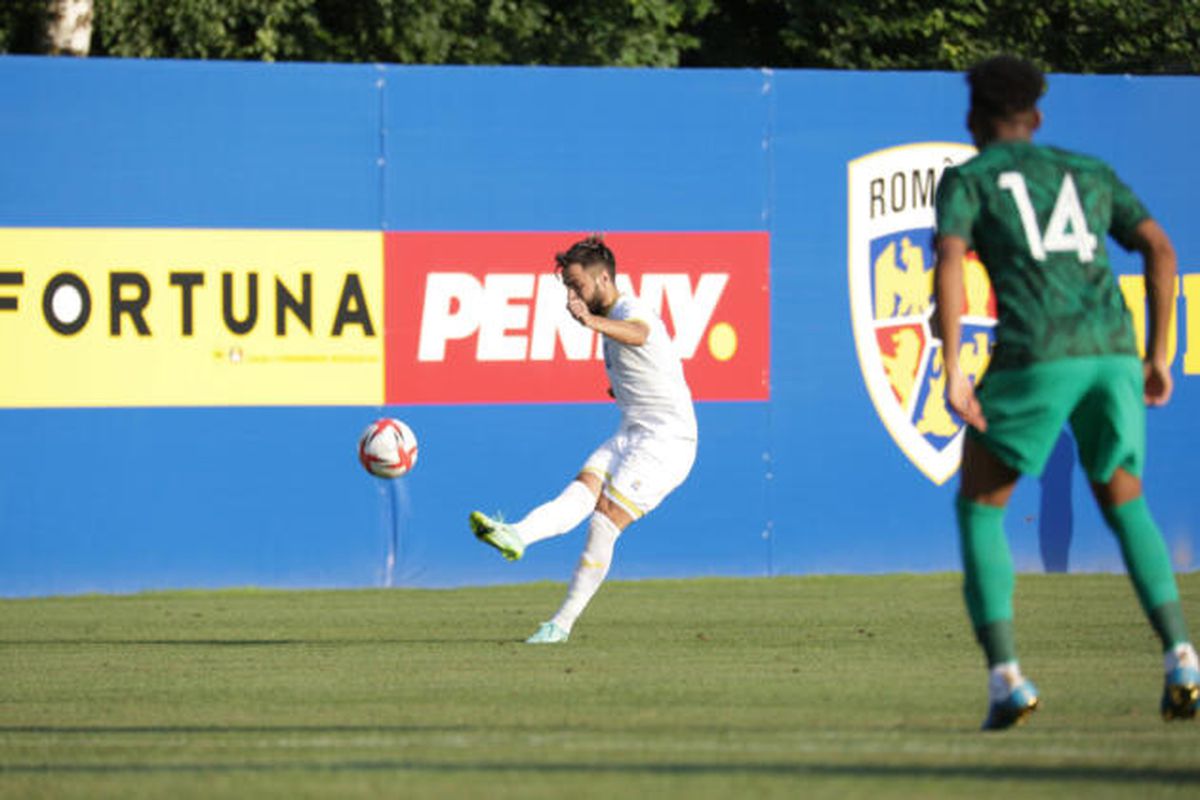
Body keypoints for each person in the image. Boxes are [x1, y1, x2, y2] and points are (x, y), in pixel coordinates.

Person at [934, 55, 1197, 730]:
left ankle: (1006, 680)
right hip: (1111, 354)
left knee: (982, 511)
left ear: (973, 120)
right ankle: (1181, 658)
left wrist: (955, 366)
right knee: (1125, 503)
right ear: (1038, 117)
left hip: (1036, 354)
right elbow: (1162, 251)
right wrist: (1159, 353)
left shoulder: (969, 179)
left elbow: (951, 264)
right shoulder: (1087, 170)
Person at [469, 235, 697, 644]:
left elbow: (640, 333)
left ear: (604, 278)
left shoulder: (630, 309)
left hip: (667, 441)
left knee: (604, 519)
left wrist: (589, 322)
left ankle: (561, 624)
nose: (572, 294)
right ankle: (517, 535)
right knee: (581, 491)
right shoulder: (610, 320)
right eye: (568, 287)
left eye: (577, 285)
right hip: (633, 430)